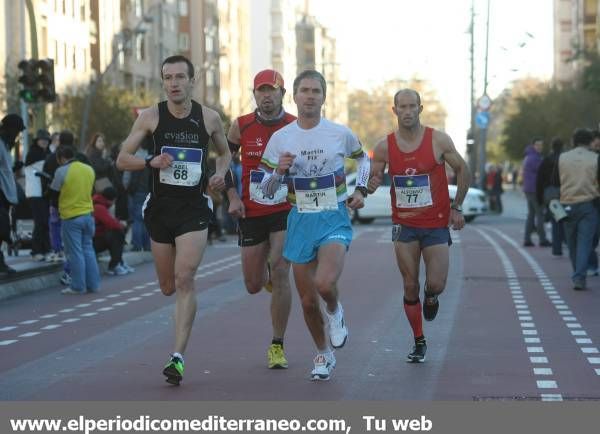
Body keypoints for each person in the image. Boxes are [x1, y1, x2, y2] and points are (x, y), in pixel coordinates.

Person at [116, 55, 231, 385]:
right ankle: (178, 344)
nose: (174, 83)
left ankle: (177, 356)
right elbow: (122, 158)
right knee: (167, 286)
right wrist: (150, 161)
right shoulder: (150, 117)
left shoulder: (209, 118)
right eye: (168, 77)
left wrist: (220, 175)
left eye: (181, 77)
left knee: (184, 279)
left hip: (194, 208)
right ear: (163, 82)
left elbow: (224, 154)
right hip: (160, 209)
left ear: (191, 81)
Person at [260, 70, 370, 381]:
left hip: (333, 216)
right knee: (308, 301)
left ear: (323, 97)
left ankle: (335, 312)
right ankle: (324, 354)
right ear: (294, 96)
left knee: (324, 285)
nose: (310, 96)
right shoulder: (280, 138)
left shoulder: (339, 133)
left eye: (316, 91)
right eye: (304, 90)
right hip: (299, 220)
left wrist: (360, 189)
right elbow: (265, 190)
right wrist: (279, 173)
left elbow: (364, 161)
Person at [368, 89, 470, 363]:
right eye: (403, 106)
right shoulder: (384, 146)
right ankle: (419, 340)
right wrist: (370, 184)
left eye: (413, 106)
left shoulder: (438, 140)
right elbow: (370, 179)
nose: (408, 111)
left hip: (435, 224)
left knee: (436, 283)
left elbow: (463, 169)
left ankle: (431, 296)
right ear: (395, 110)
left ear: (421, 108)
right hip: (404, 225)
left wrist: (457, 206)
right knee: (409, 284)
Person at [225, 69, 296, 369]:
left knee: (281, 272)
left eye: (272, 90)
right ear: (254, 94)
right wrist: (231, 197)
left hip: (285, 210)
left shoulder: (295, 126)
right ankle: (264, 274)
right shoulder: (240, 126)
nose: (266, 95)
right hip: (251, 212)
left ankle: (277, 345)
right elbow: (221, 162)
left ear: (282, 93)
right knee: (254, 285)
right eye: (261, 90)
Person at [49, 145, 100, 294]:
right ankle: (94, 285)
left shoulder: (61, 171)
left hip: (71, 216)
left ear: (61, 158)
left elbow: (53, 193)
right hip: (88, 215)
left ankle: (78, 286)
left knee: (75, 252)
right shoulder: (88, 169)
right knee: (88, 250)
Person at [559, 128, 600, 290]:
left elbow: (556, 180)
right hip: (588, 204)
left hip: (567, 204)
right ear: (590, 141)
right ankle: (579, 277)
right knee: (585, 243)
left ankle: (578, 272)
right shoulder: (595, 158)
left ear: (574, 141)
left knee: (572, 243)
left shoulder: (563, 158)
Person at [0, 114, 26, 275]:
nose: (17, 134)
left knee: (2, 227)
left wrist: (14, 168)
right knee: (3, 226)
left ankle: (1, 262)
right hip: (1, 192)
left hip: (5, 193)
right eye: (17, 130)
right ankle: (10, 241)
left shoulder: (5, 144)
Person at [92, 187, 133, 275]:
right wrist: (122, 224)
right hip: (93, 241)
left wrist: (119, 223)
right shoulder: (99, 207)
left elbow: (109, 222)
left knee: (115, 235)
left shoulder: (100, 205)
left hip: (95, 238)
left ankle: (119, 263)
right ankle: (114, 266)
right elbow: (111, 223)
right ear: (111, 199)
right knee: (117, 234)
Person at [24, 129, 51, 260]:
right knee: (40, 221)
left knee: (45, 222)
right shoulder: (33, 154)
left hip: (44, 193)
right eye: (42, 139)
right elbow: (45, 169)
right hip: (35, 192)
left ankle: (46, 249)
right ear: (37, 141)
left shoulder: (47, 153)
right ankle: (36, 251)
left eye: (46, 139)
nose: (44, 141)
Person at [535, 137, 565, 257]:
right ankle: (566, 242)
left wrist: (539, 197)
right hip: (565, 192)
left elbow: (539, 179)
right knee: (565, 220)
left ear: (552, 147)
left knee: (556, 220)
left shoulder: (546, 160)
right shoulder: (565, 159)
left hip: (550, 193)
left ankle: (557, 249)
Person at [522, 137, 551, 247]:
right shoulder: (534, 158)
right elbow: (543, 172)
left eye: (541, 145)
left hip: (529, 189)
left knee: (531, 214)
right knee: (539, 215)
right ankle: (542, 239)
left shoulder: (528, 157)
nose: (540, 147)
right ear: (533, 146)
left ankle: (527, 239)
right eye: (538, 145)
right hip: (535, 190)